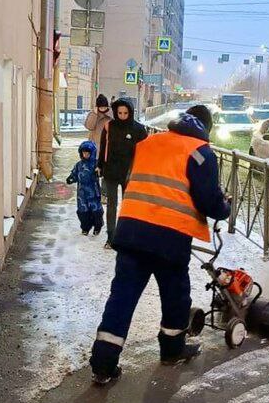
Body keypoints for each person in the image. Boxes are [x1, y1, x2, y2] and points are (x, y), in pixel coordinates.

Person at [89, 105, 231, 385]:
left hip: (131, 231)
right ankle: (172, 351)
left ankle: (103, 366)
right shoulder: (201, 153)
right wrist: (224, 206)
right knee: (175, 297)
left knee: (122, 298)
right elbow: (209, 202)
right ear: (206, 128)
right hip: (170, 237)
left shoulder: (149, 142)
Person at [97, 98, 148, 248]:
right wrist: (100, 166)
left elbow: (145, 152)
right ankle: (111, 237)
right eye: (119, 112)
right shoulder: (109, 127)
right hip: (111, 172)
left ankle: (126, 235)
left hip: (130, 174)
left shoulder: (138, 129)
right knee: (111, 205)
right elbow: (103, 148)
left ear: (130, 112)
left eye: (125, 112)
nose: (122, 115)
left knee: (128, 206)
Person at [66, 141, 104, 236]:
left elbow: (102, 172)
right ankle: (85, 227)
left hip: (93, 192)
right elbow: (75, 174)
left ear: (92, 153)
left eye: (88, 153)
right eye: (84, 152)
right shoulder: (79, 165)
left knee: (96, 211)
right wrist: (71, 178)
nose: (85, 154)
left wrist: (99, 172)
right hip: (82, 194)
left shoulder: (96, 163)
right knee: (83, 211)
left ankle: (97, 226)